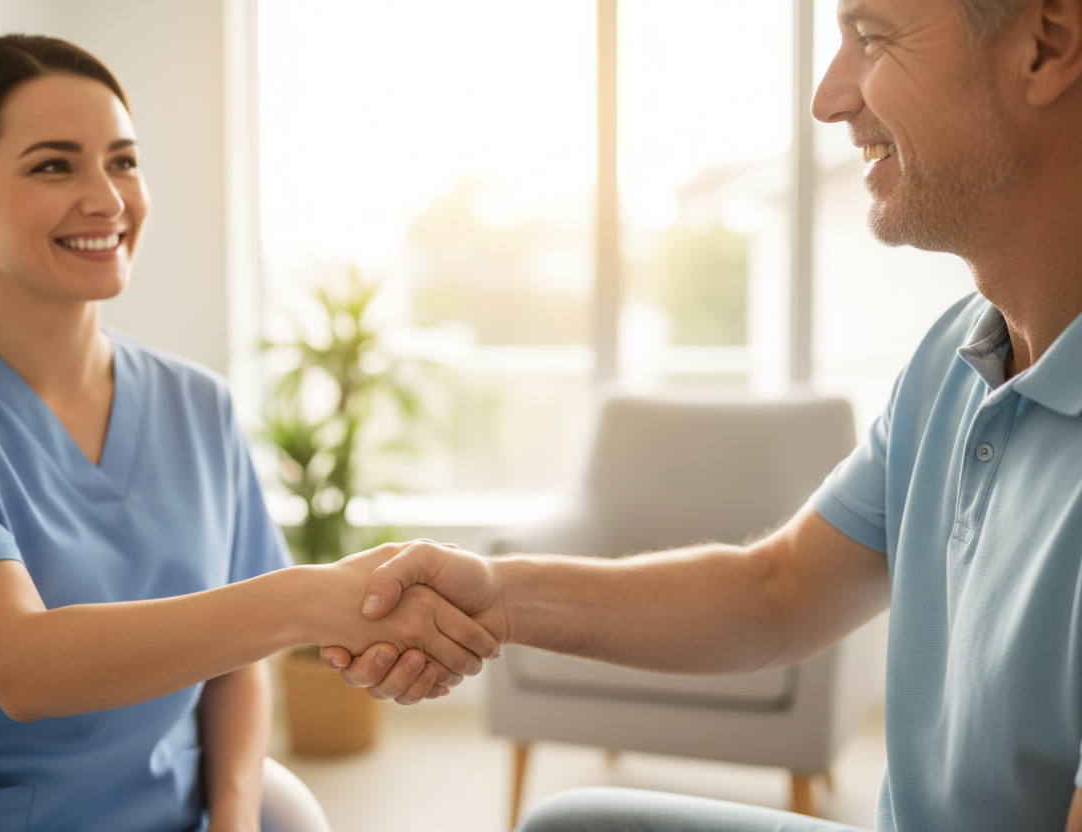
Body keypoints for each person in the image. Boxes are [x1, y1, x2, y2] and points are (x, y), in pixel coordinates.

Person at [320, 0, 1082, 829]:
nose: (828, 99)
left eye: (871, 39)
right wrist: (500, 595)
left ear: (1045, 47)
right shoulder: (950, 362)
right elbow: (777, 592)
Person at [0, 35, 498, 832]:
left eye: (122, 161)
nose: (108, 199)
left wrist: (235, 819)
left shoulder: (199, 404)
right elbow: (21, 667)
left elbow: (236, 667)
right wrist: (307, 598)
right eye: (54, 166)